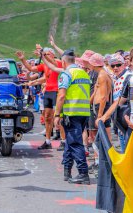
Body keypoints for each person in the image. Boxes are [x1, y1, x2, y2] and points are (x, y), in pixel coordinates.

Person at [53, 50, 91, 184]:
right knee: (69, 143)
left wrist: (57, 114)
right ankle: (67, 170)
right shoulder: (83, 73)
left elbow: (62, 95)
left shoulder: (66, 74)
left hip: (72, 112)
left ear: (63, 62)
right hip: (84, 113)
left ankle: (83, 173)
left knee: (75, 143)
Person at [16, 47, 63, 150]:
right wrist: (23, 59)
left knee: (58, 117)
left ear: (52, 54)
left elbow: (54, 63)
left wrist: (43, 54)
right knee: (47, 116)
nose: (46, 56)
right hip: (48, 92)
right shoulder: (45, 65)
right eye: (45, 54)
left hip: (57, 91)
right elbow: (31, 69)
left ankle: (63, 140)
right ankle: (47, 140)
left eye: (48, 54)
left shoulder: (58, 62)